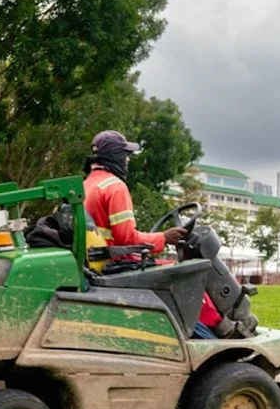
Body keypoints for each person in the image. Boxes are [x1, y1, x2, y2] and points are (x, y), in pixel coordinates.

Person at [82, 130, 221, 339]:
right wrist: (164, 238)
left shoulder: (86, 185)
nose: (127, 160)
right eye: (125, 155)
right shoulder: (114, 187)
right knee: (188, 274)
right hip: (114, 263)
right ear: (114, 156)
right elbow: (126, 239)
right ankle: (215, 335)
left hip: (95, 262)